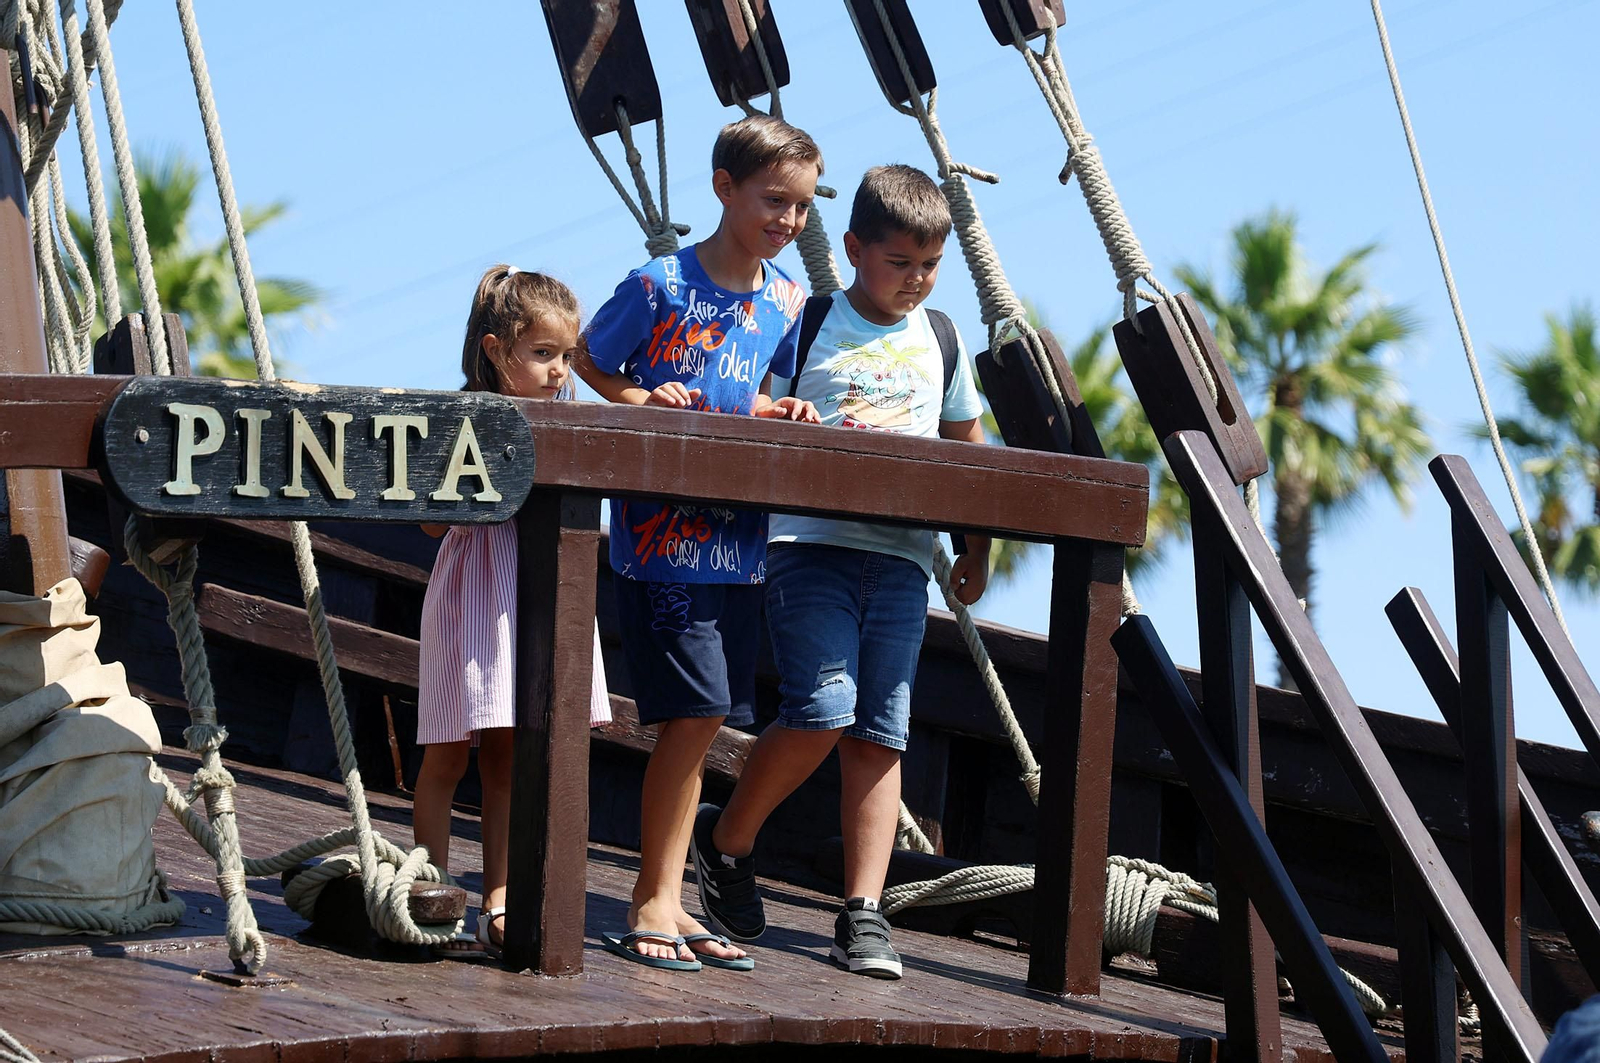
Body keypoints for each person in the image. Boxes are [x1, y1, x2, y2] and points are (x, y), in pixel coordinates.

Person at [691, 164, 992, 980]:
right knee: (823, 709)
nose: (916, 281)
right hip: (810, 547)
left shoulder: (943, 339)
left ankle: (862, 911)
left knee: (879, 734)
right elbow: (758, 410)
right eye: (900, 264)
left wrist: (977, 545)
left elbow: (967, 449)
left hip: (900, 561)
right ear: (855, 248)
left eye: (931, 266)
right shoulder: (810, 322)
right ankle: (728, 840)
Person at [578, 114, 822, 972]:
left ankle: (670, 896)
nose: (788, 220)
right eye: (773, 200)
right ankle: (654, 894)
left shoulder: (788, 299)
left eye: (801, 206)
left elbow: (743, 389)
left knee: (706, 714)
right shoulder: (657, 285)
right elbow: (591, 359)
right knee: (699, 711)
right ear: (723, 187)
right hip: (658, 539)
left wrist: (776, 409)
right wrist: (642, 399)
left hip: (738, 544)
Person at [413, 264, 613, 961]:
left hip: (536, 590)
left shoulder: (569, 425)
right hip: (477, 590)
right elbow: (432, 528)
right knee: (445, 752)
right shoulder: (464, 419)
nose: (559, 371)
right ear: (497, 351)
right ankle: (427, 886)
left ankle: (499, 896)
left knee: (508, 754)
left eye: (567, 356)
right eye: (543, 354)